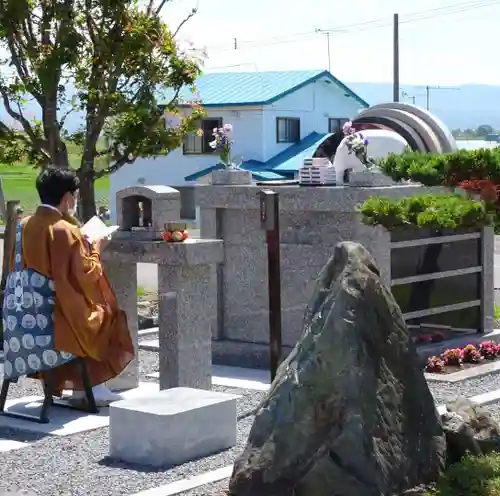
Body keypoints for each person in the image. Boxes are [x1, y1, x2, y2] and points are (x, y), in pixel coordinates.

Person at [5, 166, 134, 406]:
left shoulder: (24, 225)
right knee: (106, 313)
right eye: (73, 196)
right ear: (67, 198)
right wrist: (97, 246)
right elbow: (85, 274)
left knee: (90, 311)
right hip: (57, 319)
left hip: (25, 319)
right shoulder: (65, 230)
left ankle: (78, 386)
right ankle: (92, 387)